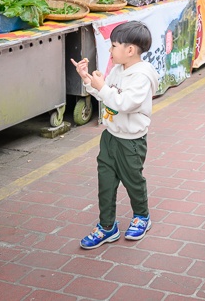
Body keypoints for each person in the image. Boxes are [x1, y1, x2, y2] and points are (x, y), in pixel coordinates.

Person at [70, 22, 160, 249]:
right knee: (106, 182)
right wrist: (89, 80)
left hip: (131, 142)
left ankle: (142, 215)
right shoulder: (119, 70)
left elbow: (124, 103)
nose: (110, 51)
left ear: (130, 50)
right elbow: (105, 94)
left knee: (133, 182)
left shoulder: (141, 76)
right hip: (110, 137)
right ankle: (107, 226)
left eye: (113, 46)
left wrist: (102, 87)